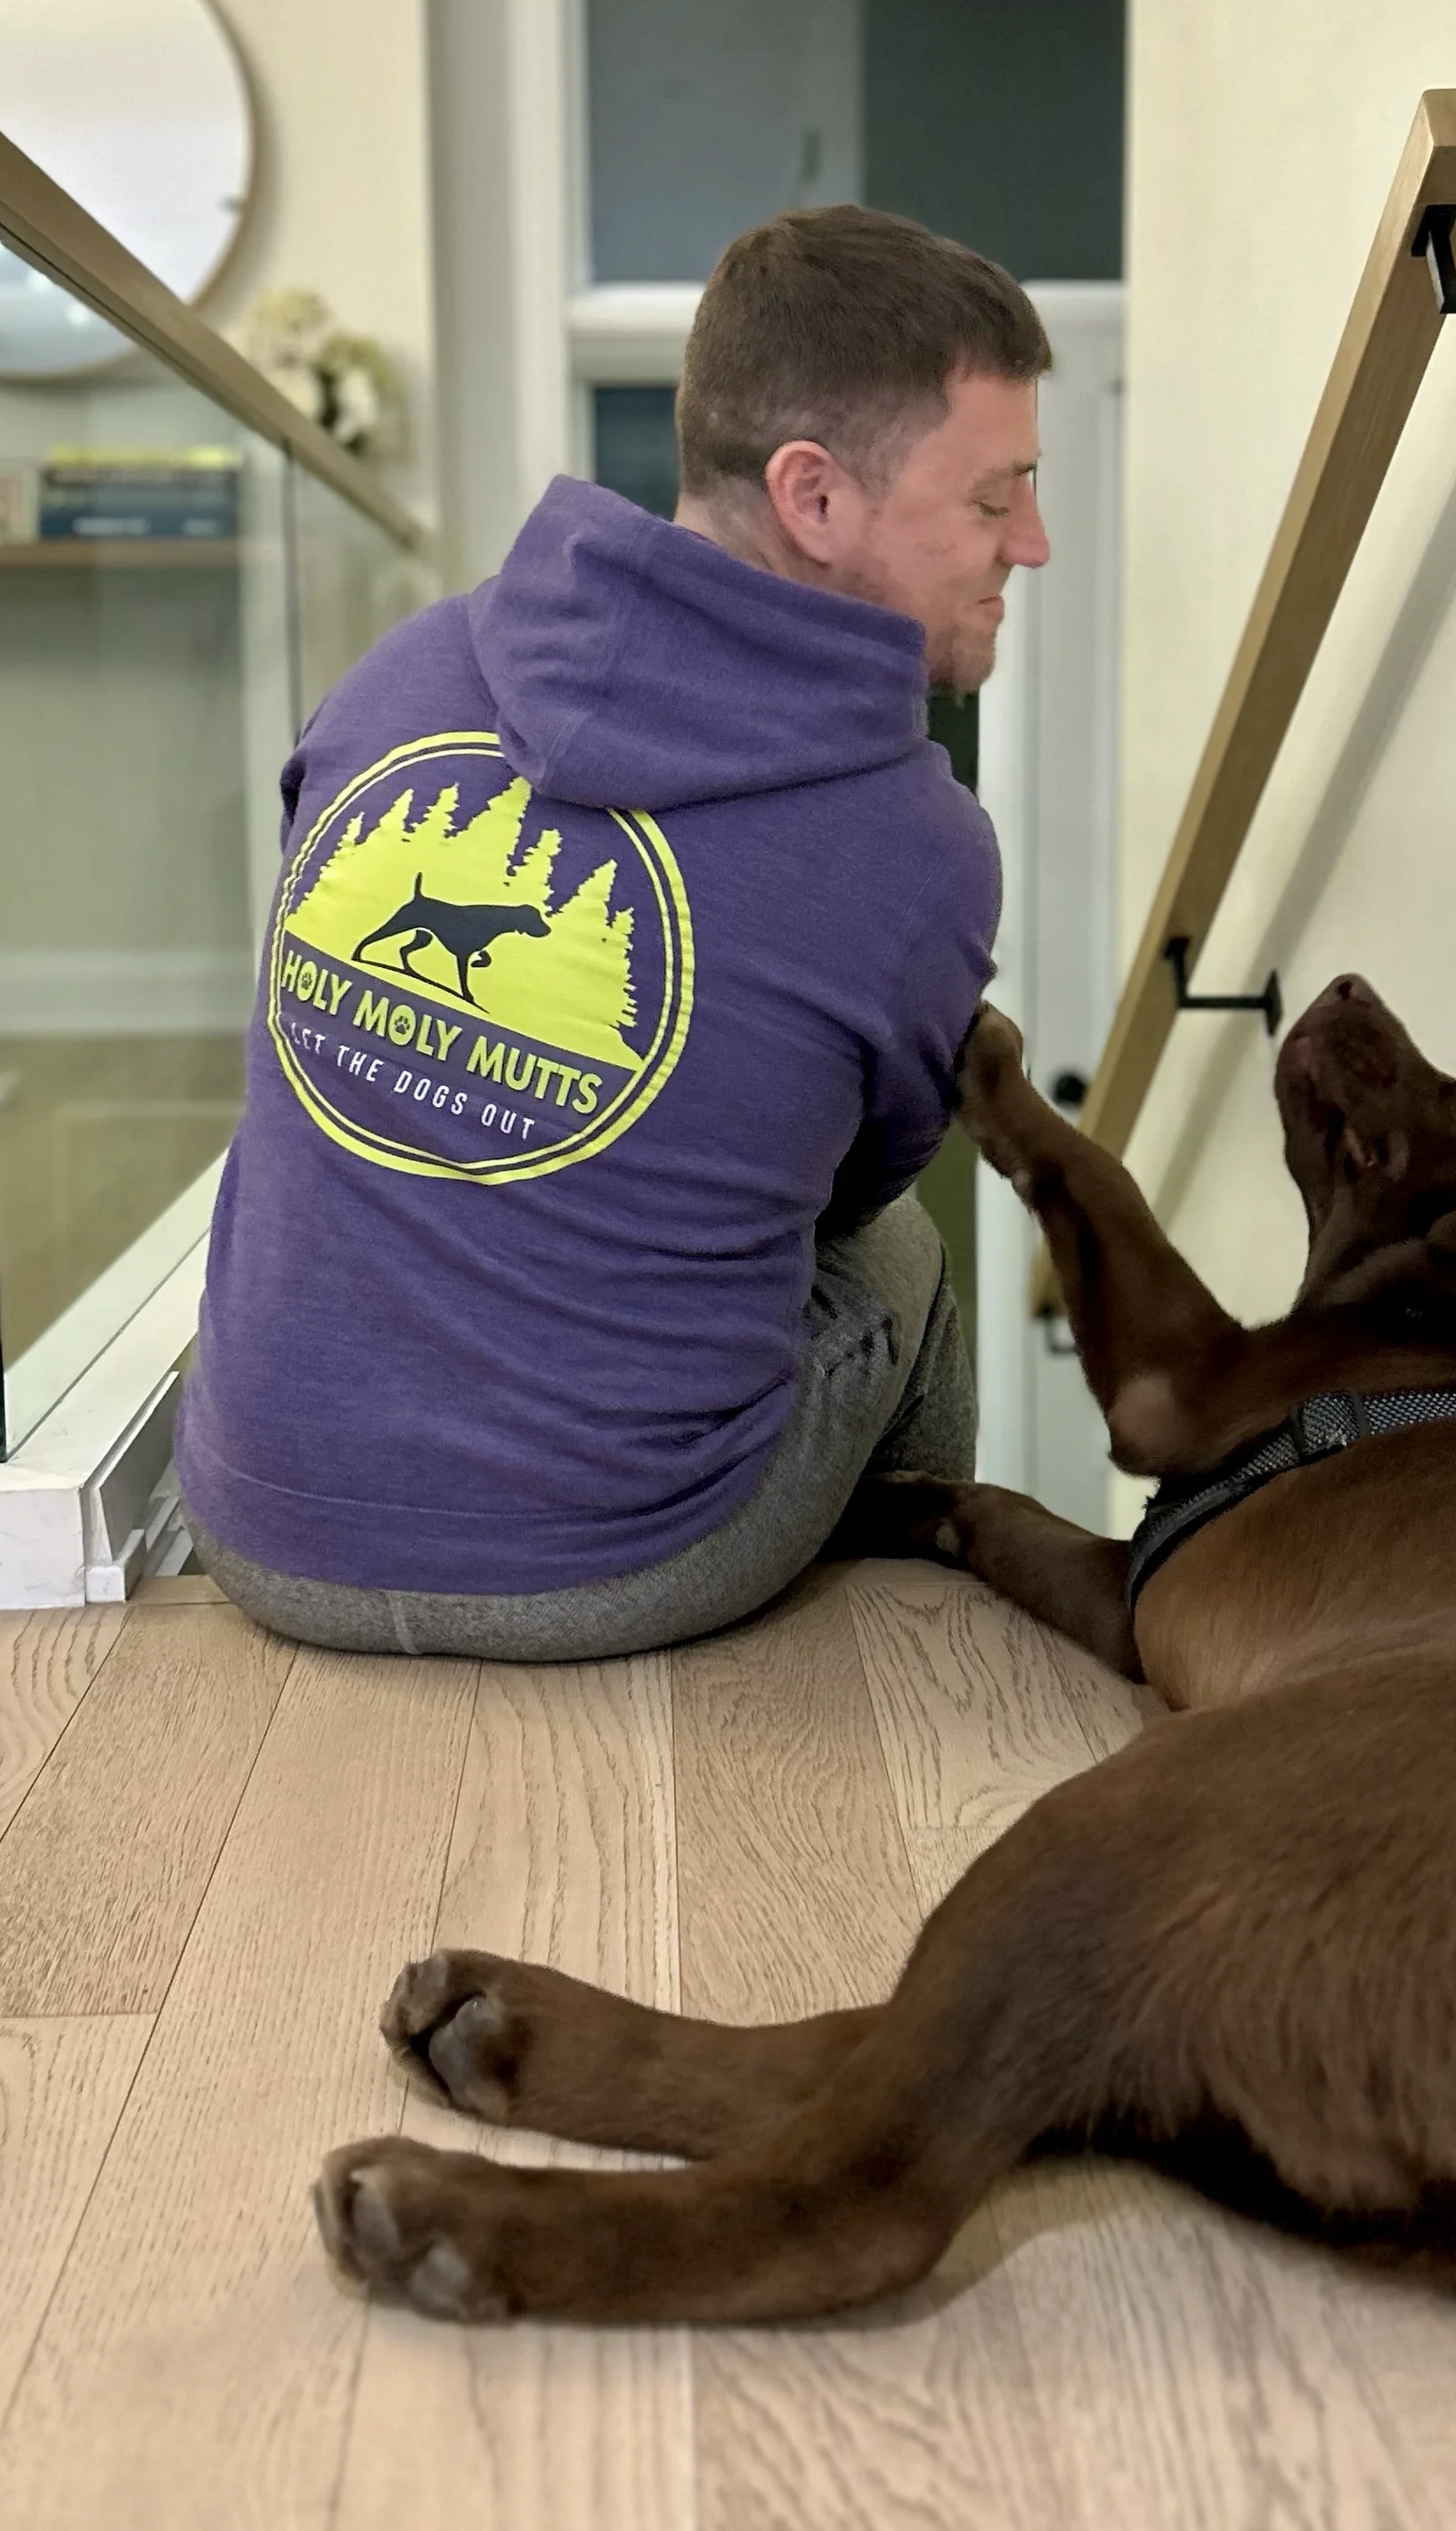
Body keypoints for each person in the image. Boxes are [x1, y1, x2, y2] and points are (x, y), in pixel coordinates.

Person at [175, 204, 1050, 1657]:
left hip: (262, 1521)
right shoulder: (917, 847)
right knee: (905, 1256)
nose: (1030, 541)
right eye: (991, 497)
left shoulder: (406, 667)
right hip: (610, 1567)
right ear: (815, 498)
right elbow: (845, 1191)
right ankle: (904, 1672)